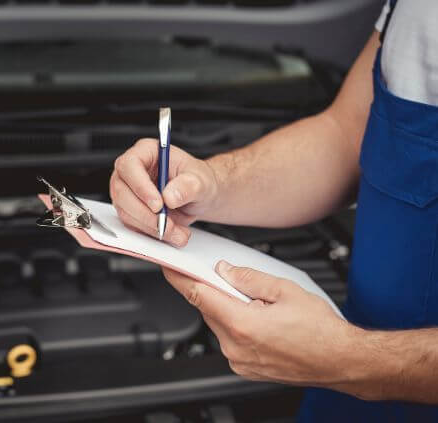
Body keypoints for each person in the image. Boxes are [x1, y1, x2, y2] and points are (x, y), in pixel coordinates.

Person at [109, 1, 438, 421]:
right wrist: (209, 182)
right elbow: (347, 135)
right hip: (343, 394)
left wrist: (353, 359)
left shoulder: (347, 361)